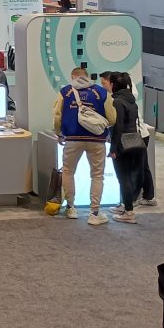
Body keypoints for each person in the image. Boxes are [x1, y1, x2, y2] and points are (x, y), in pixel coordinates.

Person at [54, 66, 116, 224]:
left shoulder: (65, 92)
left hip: (72, 138)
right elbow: (112, 118)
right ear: (87, 76)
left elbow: (57, 115)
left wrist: (59, 132)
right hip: (96, 139)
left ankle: (71, 208)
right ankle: (94, 213)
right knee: (97, 175)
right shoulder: (101, 92)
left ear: (73, 76)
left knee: (68, 171)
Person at [107, 72, 145, 224]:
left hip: (123, 143)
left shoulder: (117, 102)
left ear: (113, 85)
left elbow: (118, 126)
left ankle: (129, 211)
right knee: (129, 176)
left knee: (123, 178)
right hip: (135, 141)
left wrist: (113, 148)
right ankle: (125, 205)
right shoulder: (132, 101)